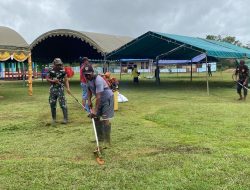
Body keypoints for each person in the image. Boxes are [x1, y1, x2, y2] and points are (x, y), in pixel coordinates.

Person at [82, 64, 114, 147]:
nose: (87, 76)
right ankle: (100, 138)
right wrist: (89, 101)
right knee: (96, 118)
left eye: (89, 74)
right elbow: (89, 90)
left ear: (92, 72)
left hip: (107, 99)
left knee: (105, 118)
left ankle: (107, 140)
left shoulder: (98, 80)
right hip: (99, 99)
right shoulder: (88, 80)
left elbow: (99, 97)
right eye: (85, 74)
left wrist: (95, 111)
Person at [46, 58, 70, 124]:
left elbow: (66, 80)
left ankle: (65, 119)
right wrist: (53, 81)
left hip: (60, 89)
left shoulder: (63, 71)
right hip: (52, 89)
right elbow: (47, 78)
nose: (59, 66)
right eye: (57, 65)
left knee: (63, 104)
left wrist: (68, 88)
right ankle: (54, 119)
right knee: (52, 104)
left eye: (60, 65)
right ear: (54, 64)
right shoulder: (50, 71)